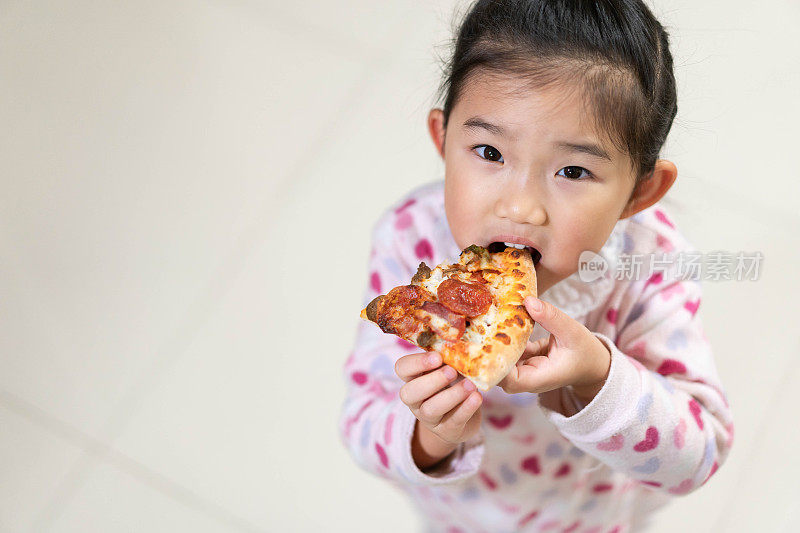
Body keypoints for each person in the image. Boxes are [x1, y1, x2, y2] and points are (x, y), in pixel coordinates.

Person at [338, 1, 734, 531]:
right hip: (460, 515)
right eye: (489, 152)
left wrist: (598, 374)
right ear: (442, 139)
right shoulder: (411, 241)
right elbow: (359, 425)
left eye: (572, 170)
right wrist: (432, 433)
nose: (520, 207)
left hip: (594, 515)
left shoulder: (651, 265)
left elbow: (699, 458)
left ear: (640, 192)